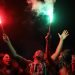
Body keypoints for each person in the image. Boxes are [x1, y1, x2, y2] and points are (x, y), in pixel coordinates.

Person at [2, 30, 69, 75]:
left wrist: (61, 39)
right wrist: (8, 42)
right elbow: (15, 55)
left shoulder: (46, 64)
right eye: (37, 51)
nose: (39, 51)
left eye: (41, 52)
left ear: (44, 57)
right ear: (33, 56)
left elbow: (57, 53)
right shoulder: (28, 63)